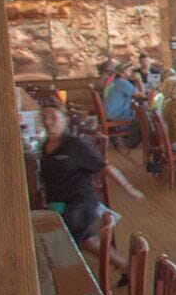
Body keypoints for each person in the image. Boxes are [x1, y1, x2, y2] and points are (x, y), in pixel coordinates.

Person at [39, 104, 144, 273]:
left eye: (53, 118)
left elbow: (104, 167)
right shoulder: (46, 146)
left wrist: (128, 188)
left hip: (79, 201)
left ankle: (122, 267)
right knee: (64, 240)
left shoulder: (75, 145)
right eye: (44, 118)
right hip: (58, 202)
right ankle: (122, 266)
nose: (48, 122)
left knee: (79, 240)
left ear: (65, 120)